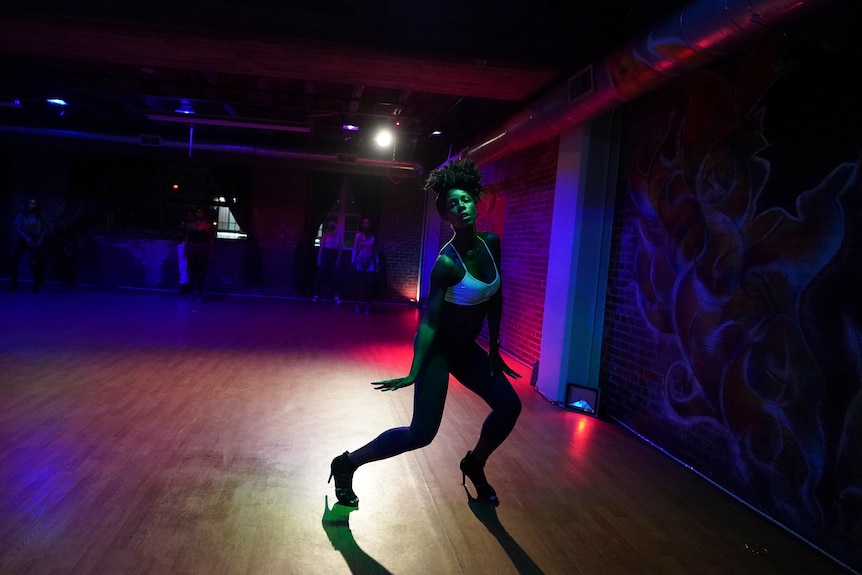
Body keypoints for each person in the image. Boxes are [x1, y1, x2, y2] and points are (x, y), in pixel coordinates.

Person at [329, 158, 522, 508]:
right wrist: (415, 370)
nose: (461, 207)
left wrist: (494, 346)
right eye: (452, 205)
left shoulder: (491, 243)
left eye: (465, 199)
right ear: (445, 216)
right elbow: (430, 322)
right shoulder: (446, 264)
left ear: (475, 203)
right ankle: (347, 463)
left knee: (509, 406)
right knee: (421, 434)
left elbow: (496, 296)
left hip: (467, 350)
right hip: (440, 351)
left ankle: (474, 462)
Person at [9, 197, 47, 292]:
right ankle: (14, 283)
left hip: (36, 240)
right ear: (27, 204)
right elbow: (17, 228)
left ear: (36, 205)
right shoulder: (22, 214)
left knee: (34, 264)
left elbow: (45, 229)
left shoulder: (40, 216)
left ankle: (37, 284)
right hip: (24, 239)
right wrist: (26, 238)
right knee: (13, 261)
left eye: (34, 203)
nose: (31, 205)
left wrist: (40, 240)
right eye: (30, 203)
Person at [184, 206, 214, 301]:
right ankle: (191, 292)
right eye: (197, 212)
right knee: (191, 272)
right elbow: (187, 239)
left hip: (202, 250)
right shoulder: (191, 225)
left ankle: (200, 294)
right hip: (192, 250)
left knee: (201, 273)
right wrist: (185, 250)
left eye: (201, 212)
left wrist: (210, 253)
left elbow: (211, 240)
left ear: (204, 214)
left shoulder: (208, 226)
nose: (199, 214)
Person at [351, 217, 378, 314]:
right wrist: (353, 260)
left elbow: (375, 251)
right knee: (358, 284)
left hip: (370, 260)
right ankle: (356, 305)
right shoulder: (358, 235)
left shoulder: (373, 236)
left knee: (369, 285)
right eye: (364, 223)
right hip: (360, 260)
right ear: (362, 225)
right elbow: (354, 248)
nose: (366, 225)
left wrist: (377, 263)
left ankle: (368, 305)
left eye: (368, 223)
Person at [313, 219, 343, 303]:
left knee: (334, 277)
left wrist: (339, 259)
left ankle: (336, 296)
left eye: (333, 224)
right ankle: (316, 294)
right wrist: (319, 258)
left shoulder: (338, 236)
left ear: (335, 226)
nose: (332, 226)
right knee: (320, 275)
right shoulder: (325, 236)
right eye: (330, 224)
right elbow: (321, 247)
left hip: (333, 255)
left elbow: (340, 248)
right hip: (325, 255)